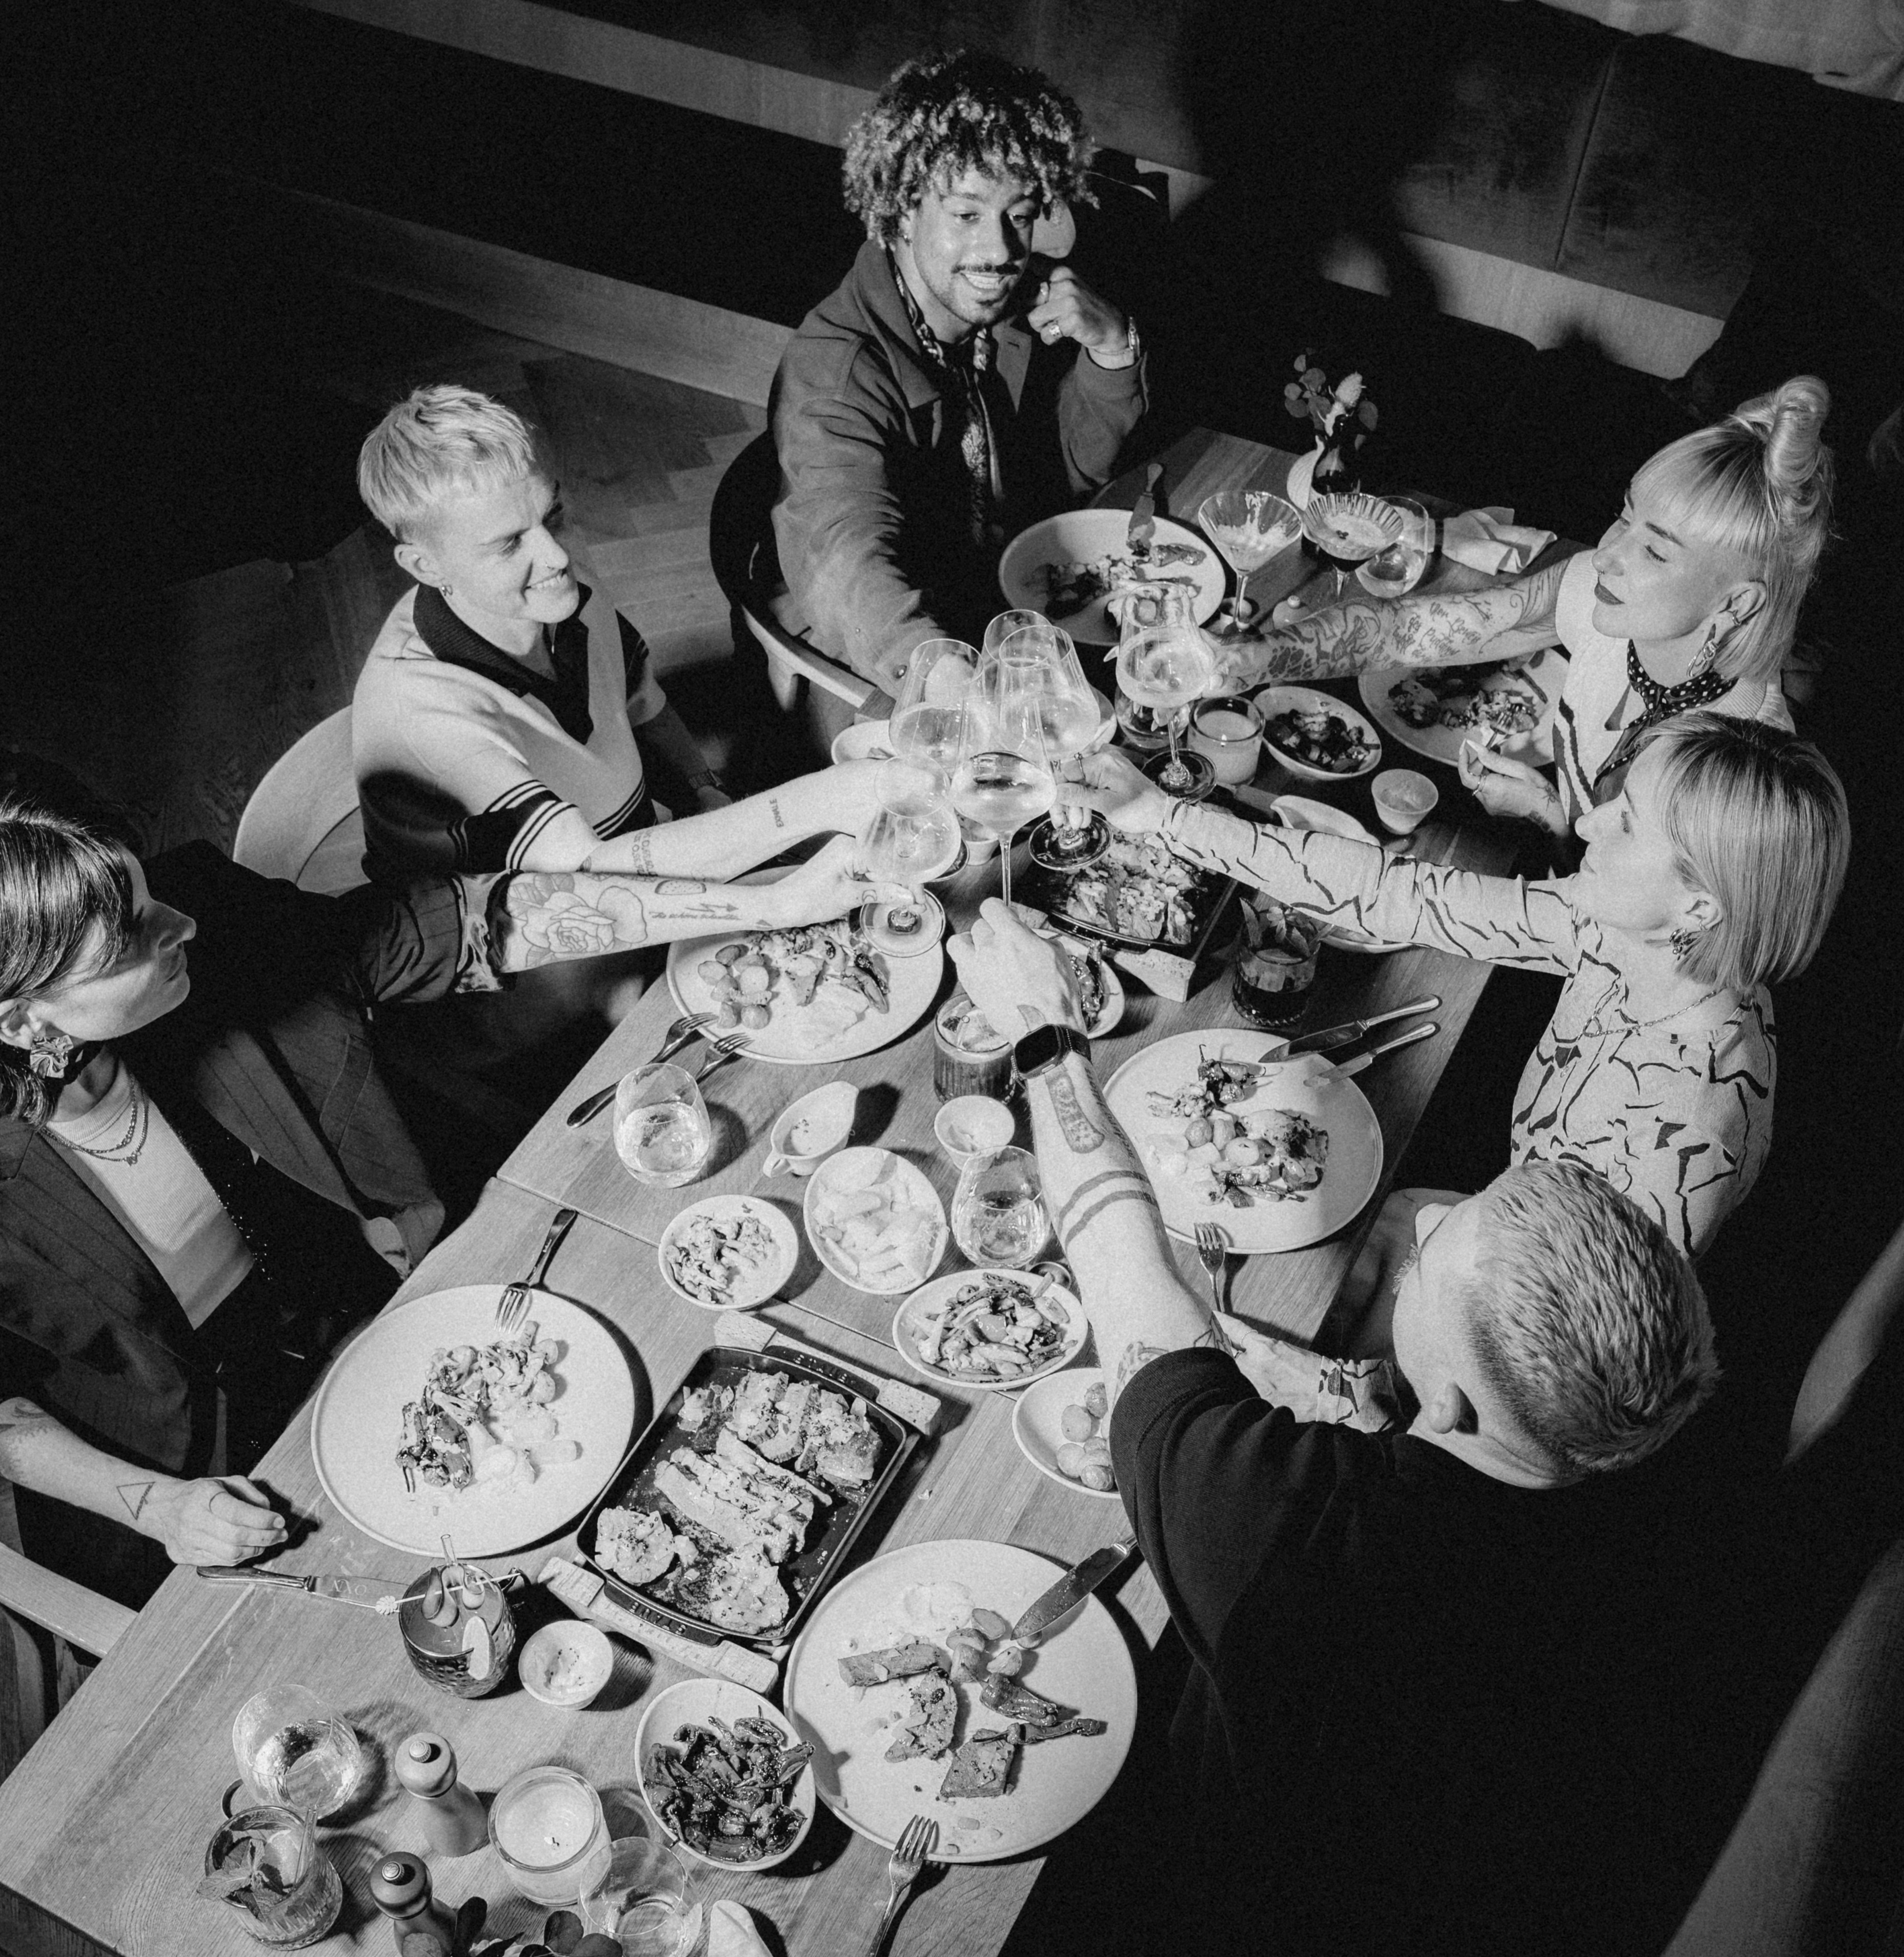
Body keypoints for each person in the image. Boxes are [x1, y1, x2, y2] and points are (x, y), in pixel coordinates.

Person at [944, 898, 1717, 1957]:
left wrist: (1041, 1043)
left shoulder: (1300, 1542)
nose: (1416, 1239)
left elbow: (1131, 1287)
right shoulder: (1645, 1472)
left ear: (1466, 1410)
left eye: (1435, 1260)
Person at [0, 762, 865, 1606]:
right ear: (20, 1015)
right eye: (131, 941)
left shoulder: (208, 921)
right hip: (189, 1466)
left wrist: (775, 902)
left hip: (376, 1311)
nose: (180, 922)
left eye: (152, 893)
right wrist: (160, 1507)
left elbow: (479, 921)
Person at [1084, 711, 1849, 1262]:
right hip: (1498, 1232)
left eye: (1626, 824)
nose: (1586, 826)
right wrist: (1162, 818)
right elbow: (1401, 894)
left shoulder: (1683, 1134)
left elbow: (1550, 1397)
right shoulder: (1643, 939)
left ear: (1700, 904)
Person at [1217, 377, 1835, 836]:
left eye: (1654, 550)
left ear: (1735, 603)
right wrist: (1258, 657)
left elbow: (1619, 939)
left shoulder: (1734, 777)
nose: (1607, 554)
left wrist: (1555, 827)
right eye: (1624, 515)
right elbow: (1406, 632)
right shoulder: (1600, 598)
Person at [353, 384, 874, 883]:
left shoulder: (559, 595)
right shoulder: (427, 721)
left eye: (552, 515)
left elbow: (644, 706)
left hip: (633, 858)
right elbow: (591, 883)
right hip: (536, 933)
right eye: (510, 544)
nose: (558, 557)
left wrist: (701, 787)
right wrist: (805, 808)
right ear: (424, 564)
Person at [769, 49, 1148, 690]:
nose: (1000, 250)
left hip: (1002, 611)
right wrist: (945, 675)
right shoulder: (834, 370)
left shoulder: (1005, 311)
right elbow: (844, 554)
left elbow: (1070, 472)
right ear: (902, 207)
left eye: (1019, 216)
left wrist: (1111, 347)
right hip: (881, 672)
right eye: (967, 214)